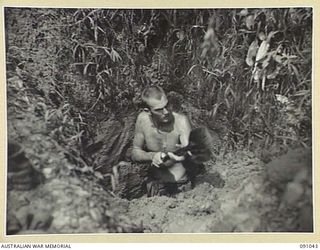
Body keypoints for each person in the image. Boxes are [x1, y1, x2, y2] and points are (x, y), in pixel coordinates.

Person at [131, 86, 195, 196]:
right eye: (159, 110)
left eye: (166, 105)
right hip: (156, 186)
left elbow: (192, 153)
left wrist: (185, 152)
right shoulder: (142, 120)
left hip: (181, 186)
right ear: (148, 111)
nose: (165, 112)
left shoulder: (181, 121)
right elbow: (135, 152)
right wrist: (152, 156)